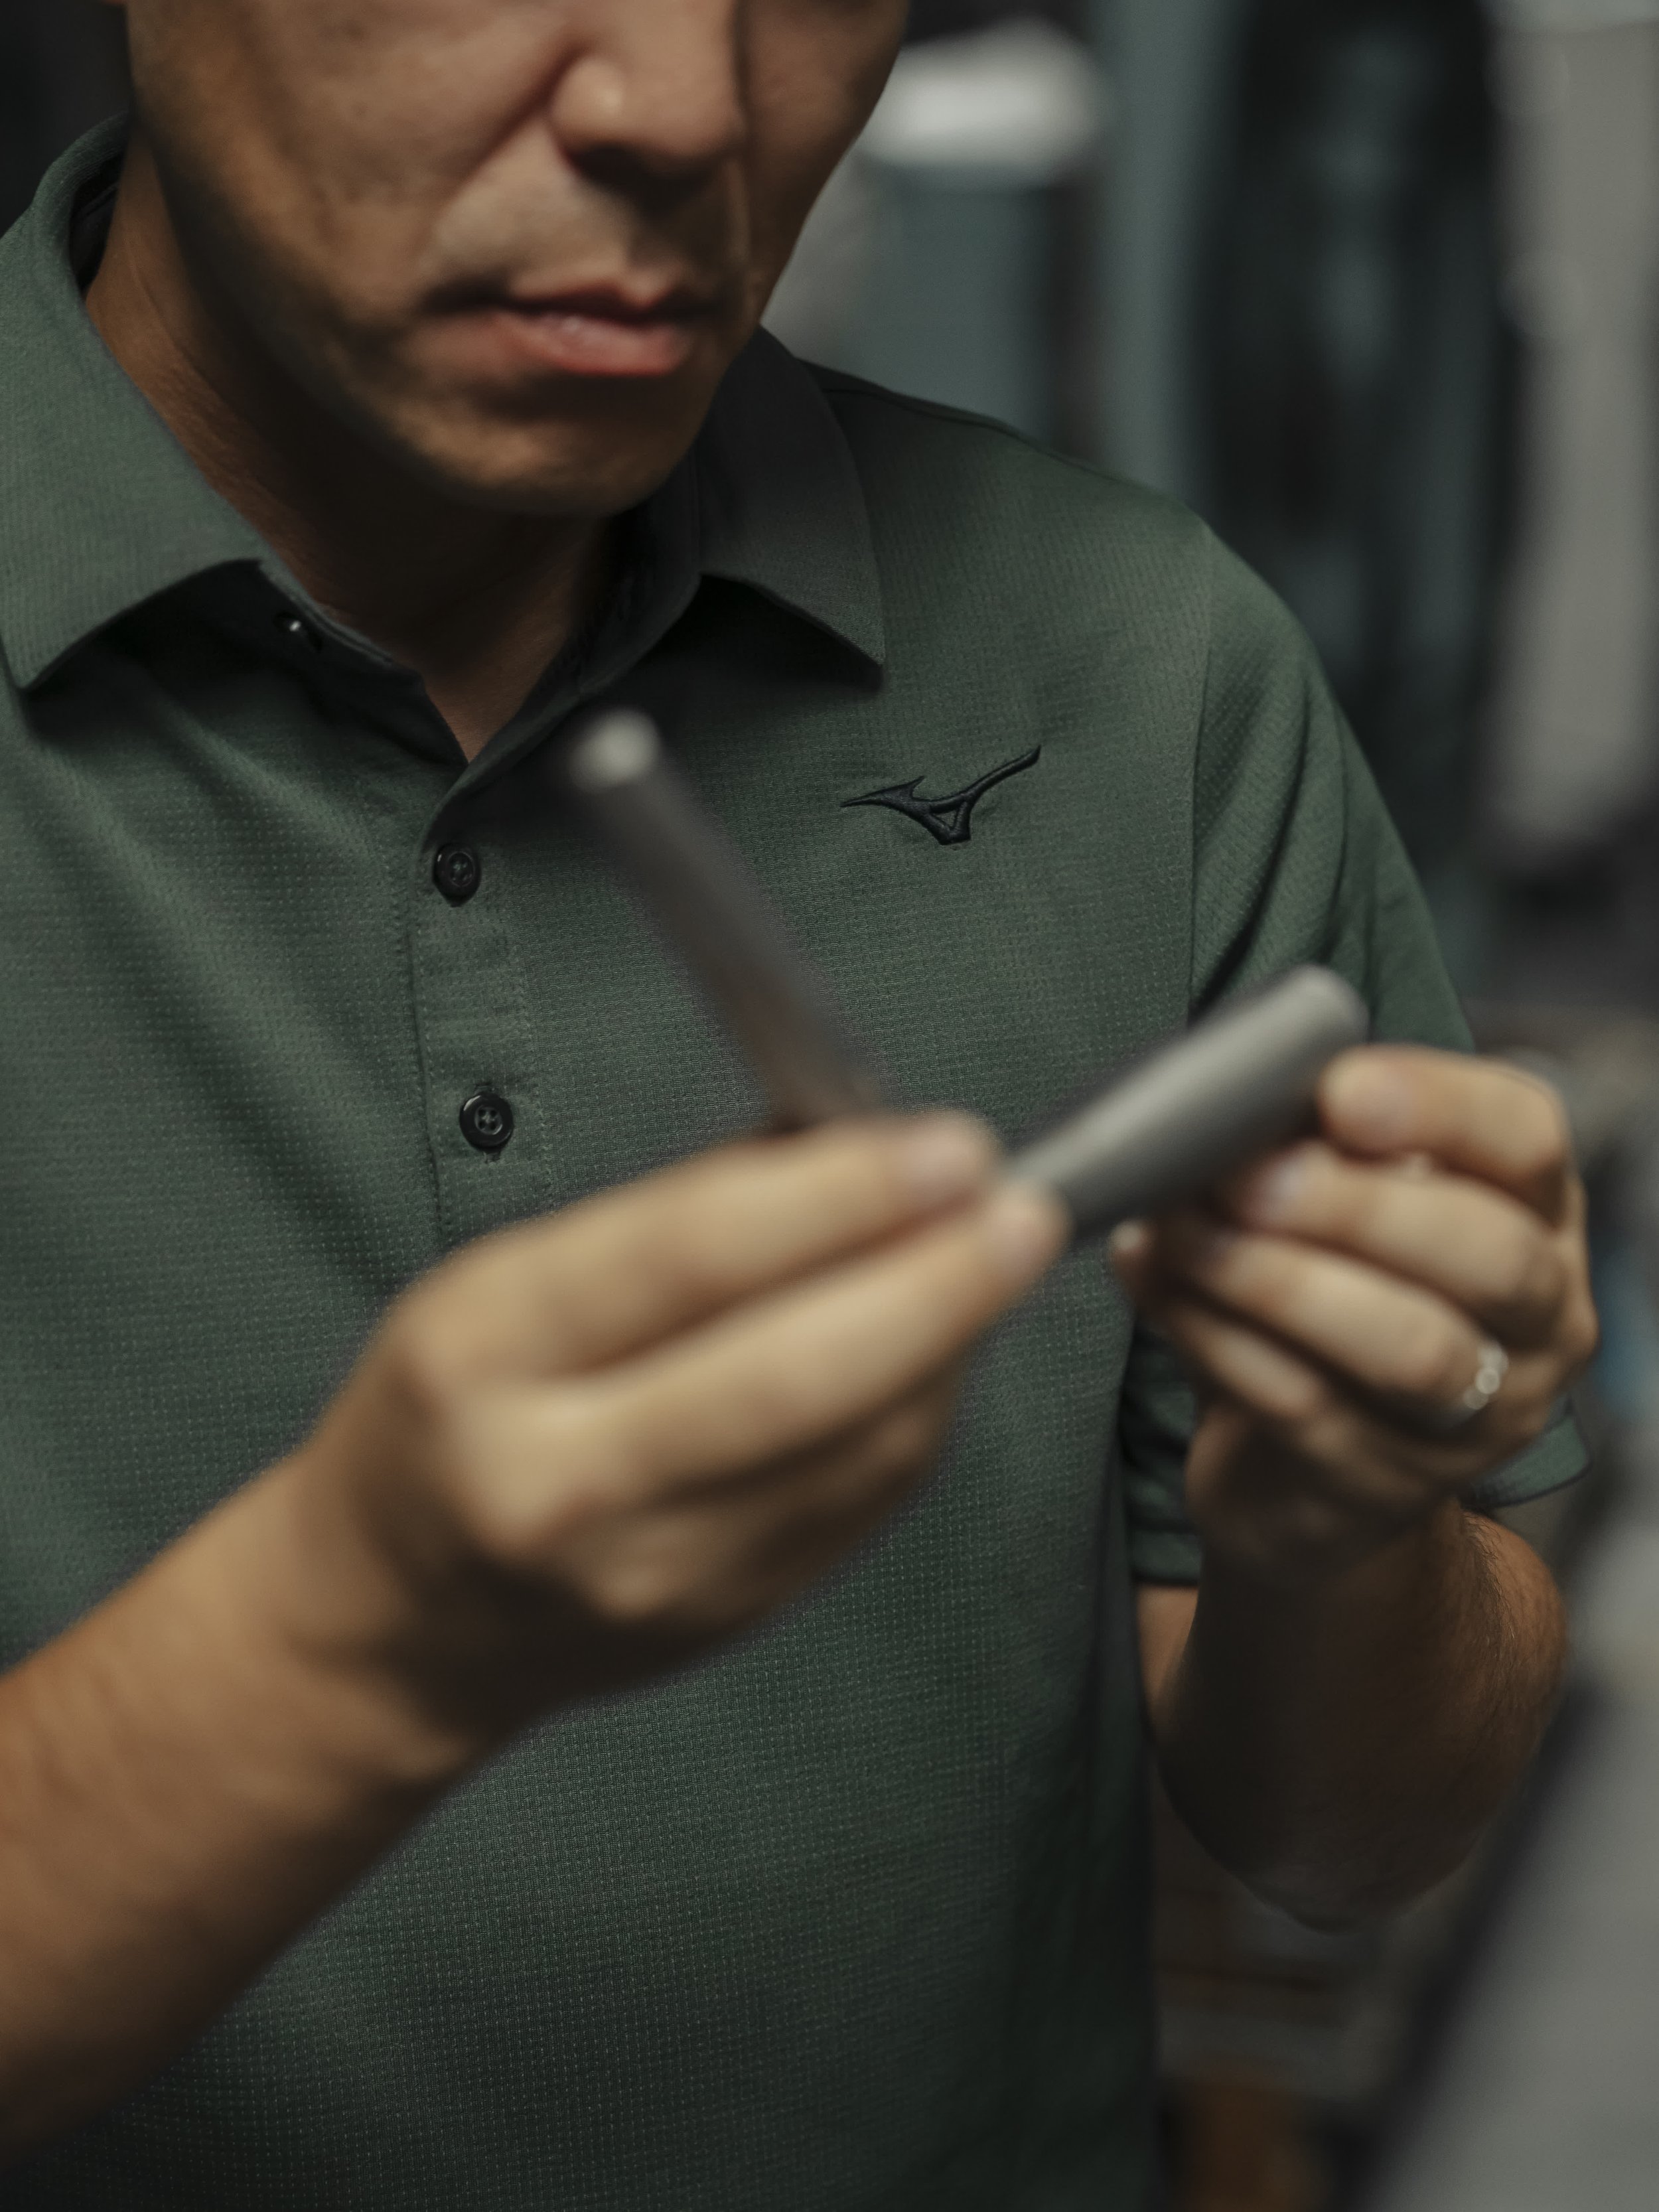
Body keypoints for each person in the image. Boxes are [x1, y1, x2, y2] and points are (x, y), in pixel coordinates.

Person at [0, 3, 1596, 2205]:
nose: (679, 104)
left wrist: (1334, 1533)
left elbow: (1353, 1834)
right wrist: (345, 1641)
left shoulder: (1142, 666)